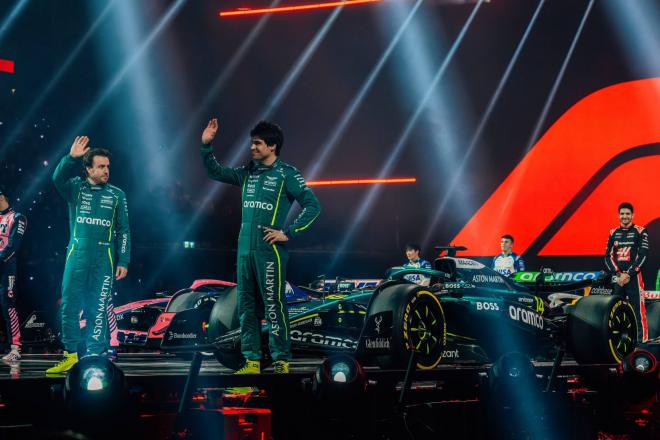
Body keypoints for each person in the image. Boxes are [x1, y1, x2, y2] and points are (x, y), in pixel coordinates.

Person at [200, 118, 320, 374]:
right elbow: (216, 172)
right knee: (246, 306)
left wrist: (289, 233)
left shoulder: (287, 173)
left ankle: (281, 360)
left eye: (257, 144)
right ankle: (251, 361)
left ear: (272, 146)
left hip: (270, 251)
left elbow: (313, 206)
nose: (252, 148)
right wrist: (206, 147)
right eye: (251, 143)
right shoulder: (247, 173)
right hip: (244, 249)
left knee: (274, 305)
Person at [48, 137, 130, 373]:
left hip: (105, 257)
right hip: (77, 254)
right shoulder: (75, 187)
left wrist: (124, 260)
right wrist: (70, 158)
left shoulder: (117, 195)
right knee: (70, 306)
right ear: (88, 168)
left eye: (108, 167)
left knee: (99, 306)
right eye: (101, 166)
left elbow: (124, 229)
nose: (106, 171)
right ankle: (71, 354)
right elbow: (56, 179)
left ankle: (96, 353)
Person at [605, 202, 649, 342]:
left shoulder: (640, 231)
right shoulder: (613, 233)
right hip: (618, 278)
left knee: (638, 310)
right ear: (619, 215)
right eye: (622, 214)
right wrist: (618, 274)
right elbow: (608, 256)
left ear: (632, 215)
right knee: (615, 309)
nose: (625, 216)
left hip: (633, 277)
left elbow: (643, 255)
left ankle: (642, 342)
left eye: (627, 214)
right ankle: (617, 342)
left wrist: (628, 274)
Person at [0, 186, 27, 362]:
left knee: (8, 305)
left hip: (6, 267)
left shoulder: (18, 217)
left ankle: (15, 348)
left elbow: (14, 245)